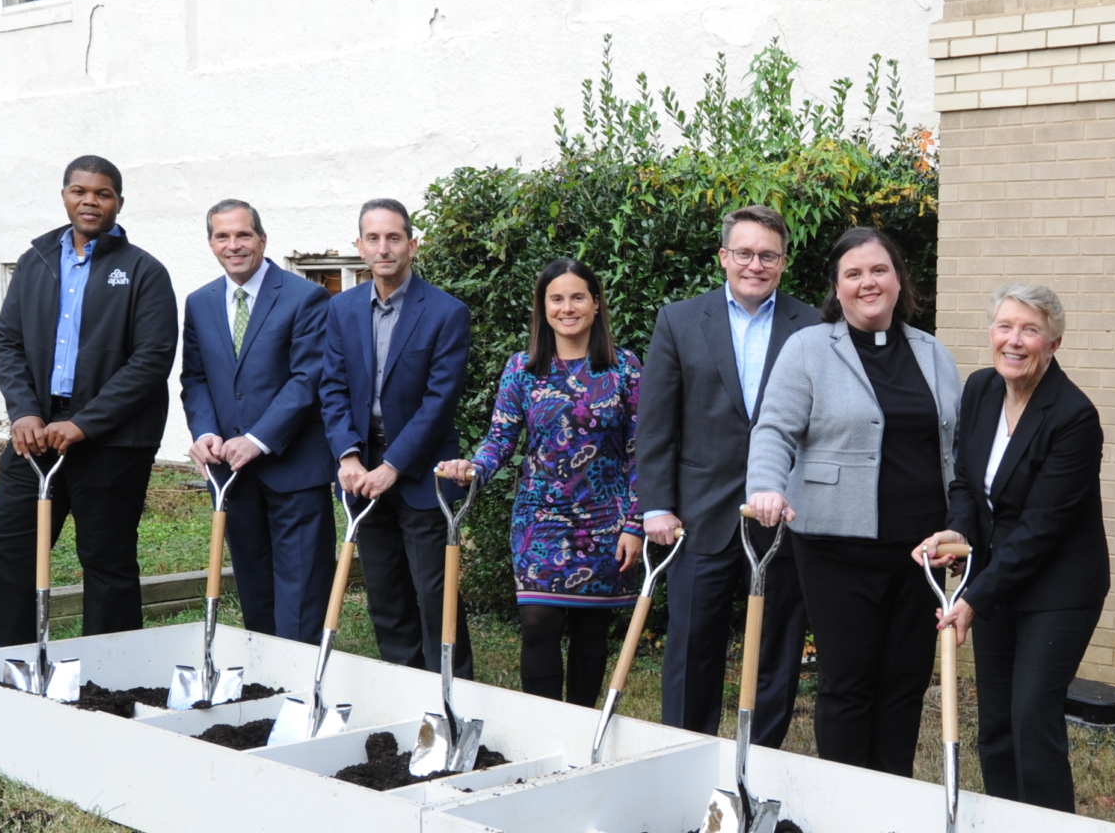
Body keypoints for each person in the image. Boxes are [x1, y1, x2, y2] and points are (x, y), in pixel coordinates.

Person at [746, 227, 962, 775]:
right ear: (836, 289)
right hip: (836, 549)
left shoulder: (932, 352)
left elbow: (955, 446)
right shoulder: (810, 348)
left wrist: (962, 527)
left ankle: (893, 796)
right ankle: (847, 803)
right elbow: (774, 429)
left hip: (920, 553)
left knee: (906, 682)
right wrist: (766, 486)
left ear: (898, 279)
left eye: (879, 270)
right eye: (854, 274)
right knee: (849, 683)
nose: (869, 282)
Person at [912, 285, 1110, 812]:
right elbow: (964, 485)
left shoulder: (1073, 417)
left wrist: (973, 597)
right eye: (1005, 327)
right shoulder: (980, 390)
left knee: (1031, 714)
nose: (1014, 341)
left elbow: (1041, 529)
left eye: (1030, 330)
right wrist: (957, 533)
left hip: (1058, 589)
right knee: (996, 719)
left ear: (1054, 342)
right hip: (997, 580)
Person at [633, 207, 821, 743]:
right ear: (724, 257)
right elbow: (657, 423)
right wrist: (656, 505)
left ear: (783, 262)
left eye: (768, 255)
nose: (755, 264)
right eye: (745, 253)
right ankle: (683, 756)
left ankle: (754, 767)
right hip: (698, 516)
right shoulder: (680, 320)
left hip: (782, 516)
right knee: (692, 649)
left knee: (776, 653)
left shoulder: (812, 327)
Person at [0, 154, 178, 645]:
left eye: (103, 193)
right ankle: (15, 663)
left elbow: (152, 360)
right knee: (8, 547)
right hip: (38, 432)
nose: (90, 201)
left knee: (106, 559)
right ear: (65, 195)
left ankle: (111, 681)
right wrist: (24, 410)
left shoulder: (143, 271)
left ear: (118, 203)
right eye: (80, 191)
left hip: (111, 441)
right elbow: (8, 340)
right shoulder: (35, 262)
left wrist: (85, 424)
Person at [436, 260, 644, 703]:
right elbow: (500, 438)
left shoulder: (624, 368)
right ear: (543, 307)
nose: (567, 308)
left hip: (604, 521)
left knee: (591, 633)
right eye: (556, 298)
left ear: (596, 302)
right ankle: (544, 728)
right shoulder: (522, 368)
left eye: (577, 297)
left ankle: (582, 728)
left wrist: (635, 523)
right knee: (537, 626)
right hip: (539, 519)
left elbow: (639, 451)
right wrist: (472, 469)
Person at [318, 198, 475, 680]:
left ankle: (453, 693)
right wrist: (348, 456)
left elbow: (439, 401)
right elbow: (333, 386)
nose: (383, 248)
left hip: (422, 470)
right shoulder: (341, 309)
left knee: (434, 592)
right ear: (359, 247)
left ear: (412, 244)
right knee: (385, 591)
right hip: (361, 470)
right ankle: (404, 687)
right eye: (373, 238)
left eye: (393, 238)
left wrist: (394, 467)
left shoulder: (446, 312)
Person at [179, 199, 336, 640]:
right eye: (222, 236)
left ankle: (301, 683)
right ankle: (264, 675)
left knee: (302, 588)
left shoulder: (306, 296)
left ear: (262, 239)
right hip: (230, 470)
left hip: (293, 466)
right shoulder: (200, 302)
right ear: (211, 243)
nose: (234, 245)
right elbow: (195, 377)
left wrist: (258, 438)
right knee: (253, 586)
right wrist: (206, 433)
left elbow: (308, 378)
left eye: (243, 235)